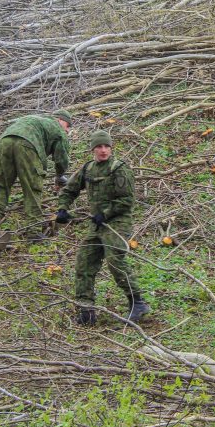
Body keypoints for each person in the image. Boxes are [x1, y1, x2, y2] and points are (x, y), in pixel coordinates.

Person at [56, 130, 150, 326]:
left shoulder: (119, 168)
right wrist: (63, 208)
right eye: (99, 146)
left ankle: (137, 302)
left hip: (117, 222)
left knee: (115, 260)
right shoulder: (88, 168)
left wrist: (105, 213)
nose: (103, 150)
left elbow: (127, 200)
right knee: (84, 262)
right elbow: (70, 189)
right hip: (96, 224)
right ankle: (85, 310)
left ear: (111, 148)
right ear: (93, 149)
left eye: (106, 146)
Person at [0, 109, 72, 242]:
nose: (67, 130)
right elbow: (61, 158)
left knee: (1, 186)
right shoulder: (58, 128)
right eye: (68, 126)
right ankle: (34, 231)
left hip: (4, 142)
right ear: (62, 120)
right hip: (27, 145)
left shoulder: (36, 120)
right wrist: (60, 176)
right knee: (32, 188)